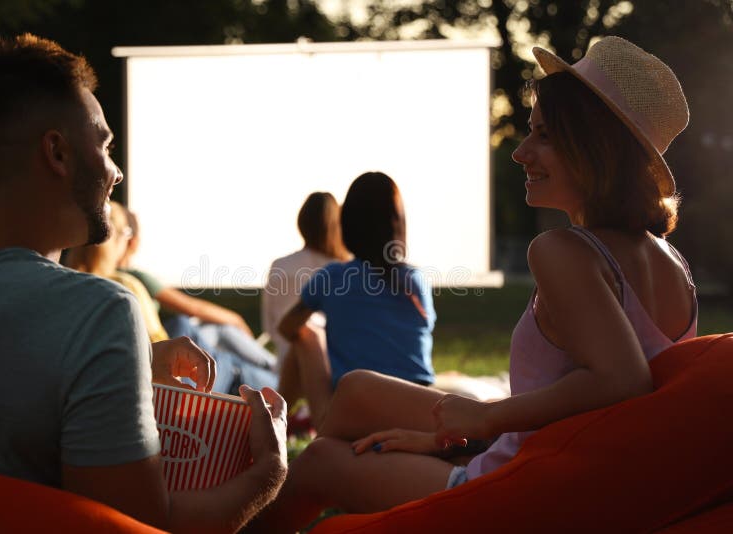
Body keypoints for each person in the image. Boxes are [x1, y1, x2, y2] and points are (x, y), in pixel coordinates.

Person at [244, 36, 697, 533]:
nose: (522, 152)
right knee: (354, 391)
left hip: (524, 492)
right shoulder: (672, 262)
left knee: (321, 462)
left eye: (543, 136)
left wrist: (484, 422)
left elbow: (622, 382)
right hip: (568, 468)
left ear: (595, 149)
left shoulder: (564, 251)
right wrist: (461, 434)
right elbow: (595, 402)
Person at [0, 34, 287, 532]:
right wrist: (267, 476)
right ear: (57, 153)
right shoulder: (99, 310)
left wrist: (128, 367)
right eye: (103, 144)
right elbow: (140, 527)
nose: (115, 171)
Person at [279, 172, 437, 428]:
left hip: (354, 418)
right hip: (418, 412)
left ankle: (275, 421)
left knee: (306, 334)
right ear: (399, 224)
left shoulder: (334, 276)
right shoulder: (415, 280)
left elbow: (286, 328)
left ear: (346, 224)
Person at [117, 207, 278, 372]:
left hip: (140, 355)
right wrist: (236, 319)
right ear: (133, 242)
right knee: (221, 331)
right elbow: (192, 308)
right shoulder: (133, 277)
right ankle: (277, 368)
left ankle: (274, 368)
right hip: (158, 349)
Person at [261, 192, 349, 408]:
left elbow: (271, 328)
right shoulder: (345, 271)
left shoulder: (280, 266)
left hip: (284, 372)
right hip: (332, 374)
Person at [64, 201, 169, 342]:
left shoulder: (61, 284)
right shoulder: (126, 287)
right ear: (117, 238)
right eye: (127, 233)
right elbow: (160, 344)